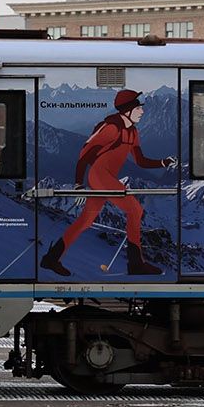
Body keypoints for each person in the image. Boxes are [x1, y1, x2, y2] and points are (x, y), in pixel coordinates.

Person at [41, 89, 176, 276]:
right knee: (135, 210)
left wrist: (163, 162)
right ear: (127, 110)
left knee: (85, 221)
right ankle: (136, 264)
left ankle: (51, 259)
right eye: (138, 108)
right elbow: (84, 154)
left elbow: (140, 161)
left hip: (108, 177)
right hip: (99, 176)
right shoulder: (111, 128)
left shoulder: (132, 132)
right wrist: (79, 184)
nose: (142, 111)